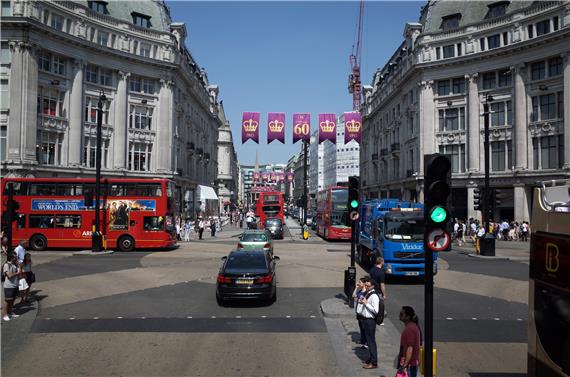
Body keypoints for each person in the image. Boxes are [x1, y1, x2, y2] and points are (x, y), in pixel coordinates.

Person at [356, 276, 380, 369]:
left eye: (368, 284)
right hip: (365, 320)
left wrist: (366, 303)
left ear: (372, 285)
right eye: (366, 283)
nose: (366, 284)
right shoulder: (368, 293)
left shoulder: (374, 296)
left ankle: (374, 363)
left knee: (371, 342)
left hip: (370, 321)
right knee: (369, 341)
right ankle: (371, 358)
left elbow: (375, 310)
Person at [398, 306, 422, 377]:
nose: (399, 315)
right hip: (413, 363)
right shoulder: (412, 326)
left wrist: (405, 365)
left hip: (411, 364)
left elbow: (410, 348)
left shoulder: (409, 329)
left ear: (408, 317)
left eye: (402, 314)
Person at [2, 252, 20, 321]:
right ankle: (5, 314)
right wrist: (17, 273)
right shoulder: (6, 265)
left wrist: (19, 266)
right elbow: (9, 275)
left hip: (15, 285)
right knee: (7, 300)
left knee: (12, 300)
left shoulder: (14, 265)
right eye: (15, 256)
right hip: (9, 286)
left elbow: (19, 274)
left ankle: (10, 312)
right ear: (11, 257)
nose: (16, 258)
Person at [352, 277, 367, 348]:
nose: (358, 283)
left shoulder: (366, 292)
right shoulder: (359, 291)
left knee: (364, 328)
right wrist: (356, 287)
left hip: (363, 313)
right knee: (361, 327)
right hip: (358, 312)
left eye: (360, 282)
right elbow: (353, 295)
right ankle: (362, 340)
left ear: (364, 284)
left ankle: (366, 342)